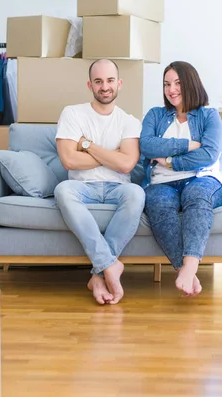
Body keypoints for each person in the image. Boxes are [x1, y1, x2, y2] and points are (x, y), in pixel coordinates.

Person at [55, 59, 145, 305]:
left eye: (109, 80)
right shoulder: (72, 113)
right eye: (98, 81)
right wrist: (112, 155)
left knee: (136, 193)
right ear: (89, 85)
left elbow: (126, 165)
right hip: (82, 187)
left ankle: (99, 273)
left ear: (119, 83)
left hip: (119, 188)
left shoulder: (129, 121)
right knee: (63, 190)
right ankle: (109, 265)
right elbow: (69, 160)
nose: (104, 86)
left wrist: (87, 145)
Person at [139, 61, 222, 297]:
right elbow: (147, 145)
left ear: (191, 83)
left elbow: (209, 155)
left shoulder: (209, 116)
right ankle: (185, 272)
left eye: (178, 83)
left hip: (203, 179)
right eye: (167, 84)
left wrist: (170, 160)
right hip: (161, 182)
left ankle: (189, 268)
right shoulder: (155, 114)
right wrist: (188, 145)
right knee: (158, 203)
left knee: (196, 194)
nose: (171, 89)